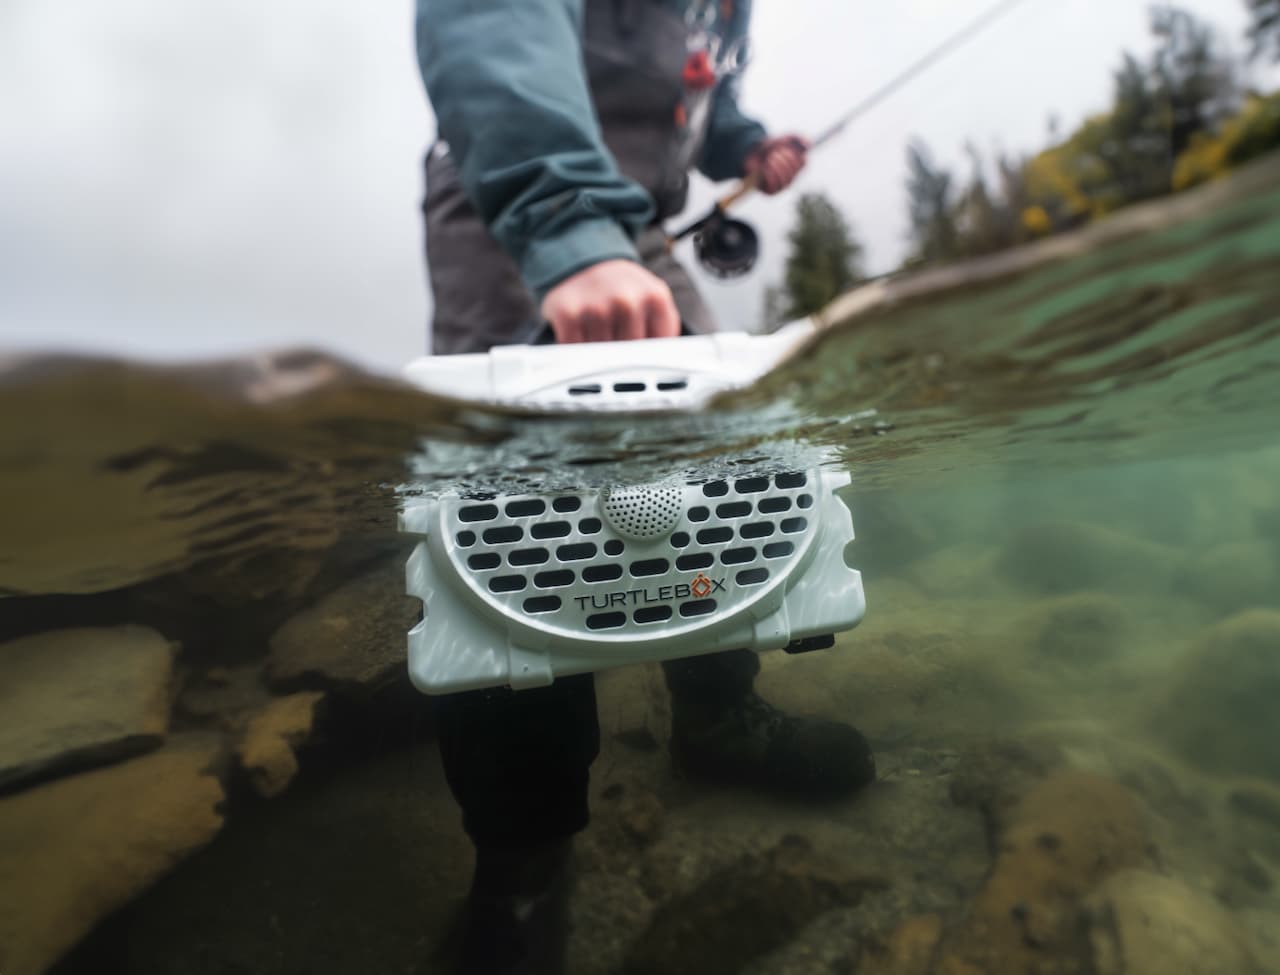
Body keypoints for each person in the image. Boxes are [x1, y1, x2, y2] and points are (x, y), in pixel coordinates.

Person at [414, 2, 875, 971]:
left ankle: (714, 718)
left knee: (718, 462)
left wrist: (750, 146)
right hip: (517, 205)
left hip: (645, 232)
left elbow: (705, 99)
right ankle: (522, 856)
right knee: (512, 511)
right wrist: (563, 222)